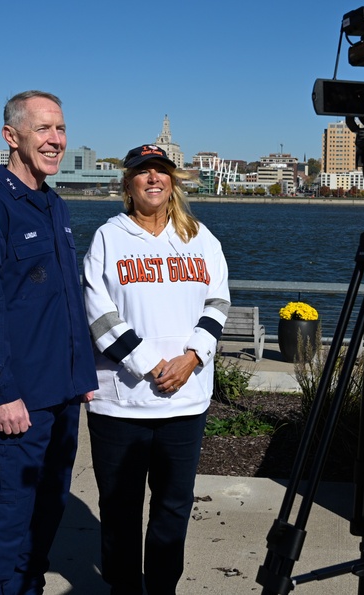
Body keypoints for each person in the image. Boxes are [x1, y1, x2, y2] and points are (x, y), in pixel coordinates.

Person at [0, 90, 98, 594]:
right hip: (15, 407)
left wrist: (81, 378)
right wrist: (0, 393)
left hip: (60, 402)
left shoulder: (53, 207)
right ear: (11, 137)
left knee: (41, 531)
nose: (56, 140)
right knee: (3, 536)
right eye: (43, 130)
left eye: (60, 130)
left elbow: (61, 301)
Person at [83, 144, 231, 595]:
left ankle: (163, 587)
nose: (153, 179)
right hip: (120, 404)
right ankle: (124, 588)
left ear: (173, 181)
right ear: (127, 184)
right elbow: (97, 311)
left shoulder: (200, 238)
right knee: (120, 508)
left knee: (173, 507)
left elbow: (218, 301)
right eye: (143, 172)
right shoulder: (109, 237)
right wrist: (148, 364)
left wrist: (192, 358)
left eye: (161, 172)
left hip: (185, 401)